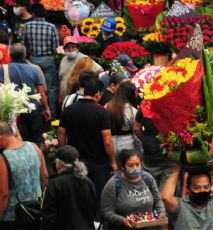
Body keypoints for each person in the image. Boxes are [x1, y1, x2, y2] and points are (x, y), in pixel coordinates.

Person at [58, 72, 117, 202]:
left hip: (76, 160)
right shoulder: (102, 113)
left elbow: (61, 134)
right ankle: (96, 220)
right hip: (98, 162)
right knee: (97, 194)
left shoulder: (69, 110)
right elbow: (107, 140)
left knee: (77, 194)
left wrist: (64, 154)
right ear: (97, 94)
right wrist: (113, 161)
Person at [161, 161, 213, 229]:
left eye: (206, 187)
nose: (202, 190)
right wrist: (176, 170)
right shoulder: (180, 205)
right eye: (197, 187)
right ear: (188, 188)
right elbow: (165, 197)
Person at [0, 120, 48, 229]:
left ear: (0, 138)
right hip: (36, 210)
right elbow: (45, 177)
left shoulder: (2, 159)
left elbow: (3, 194)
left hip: (13, 217)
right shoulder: (34, 147)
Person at [101, 149, 165, 230]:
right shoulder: (114, 184)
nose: (135, 168)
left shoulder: (148, 178)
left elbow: (158, 201)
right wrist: (122, 220)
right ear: (123, 166)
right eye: (130, 165)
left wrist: (161, 212)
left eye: (137, 164)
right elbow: (106, 211)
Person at [0, 43, 50, 145]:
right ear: (25, 55)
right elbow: (41, 91)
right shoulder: (34, 69)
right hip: (33, 109)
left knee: (17, 140)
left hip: (12, 112)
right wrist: (46, 108)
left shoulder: (2, 69)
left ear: (10, 54)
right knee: (36, 140)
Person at [39, 145, 97, 230]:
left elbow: (47, 218)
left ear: (59, 164)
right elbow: (94, 210)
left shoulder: (54, 184)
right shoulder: (88, 182)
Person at [22, 3, 60, 118]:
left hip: (32, 60)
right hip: (48, 60)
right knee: (52, 88)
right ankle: (51, 115)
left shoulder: (27, 26)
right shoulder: (52, 27)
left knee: (33, 88)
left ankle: (35, 114)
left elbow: (23, 45)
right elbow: (56, 46)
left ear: (33, 13)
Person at [134, 109, 174, 192]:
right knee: (165, 193)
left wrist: (145, 139)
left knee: (149, 191)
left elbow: (136, 128)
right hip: (170, 152)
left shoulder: (145, 106)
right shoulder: (171, 104)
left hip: (150, 153)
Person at [105, 81, 139, 159]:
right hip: (128, 143)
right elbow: (136, 128)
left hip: (111, 142)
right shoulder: (132, 110)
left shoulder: (108, 106)